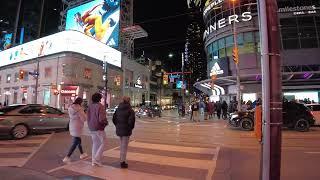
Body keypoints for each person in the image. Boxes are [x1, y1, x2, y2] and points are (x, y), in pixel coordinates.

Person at [112, 96, 135, 168]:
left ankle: (121, 160)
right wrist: (130, 128)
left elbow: (114, 119)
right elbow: (131, 121)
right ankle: (122, 162)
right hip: (126, 130)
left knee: (122, 145)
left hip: (119, 129)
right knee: (124, 146)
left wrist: (117, 125)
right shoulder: (130, 110)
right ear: (129, 101)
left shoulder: (118, 109)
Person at [63, 97, 88, 163]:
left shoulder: (70, 107)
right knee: (75, 142)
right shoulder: (79, 109)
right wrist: (85, 114)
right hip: (78, 126)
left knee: (78, 140)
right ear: (80, 102)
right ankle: (67, 157)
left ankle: (82, 153)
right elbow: (84, 119)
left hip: (72, 125)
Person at [87, 93, 108, 167]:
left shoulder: (90, 106)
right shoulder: (100, 106)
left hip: (91, 127)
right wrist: (105, 123)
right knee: (104, 142)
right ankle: (96, 159)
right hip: (99, 127)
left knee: (95, 144)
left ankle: (94, 161)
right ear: (99, 99)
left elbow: (88, 117)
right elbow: (101, 118)